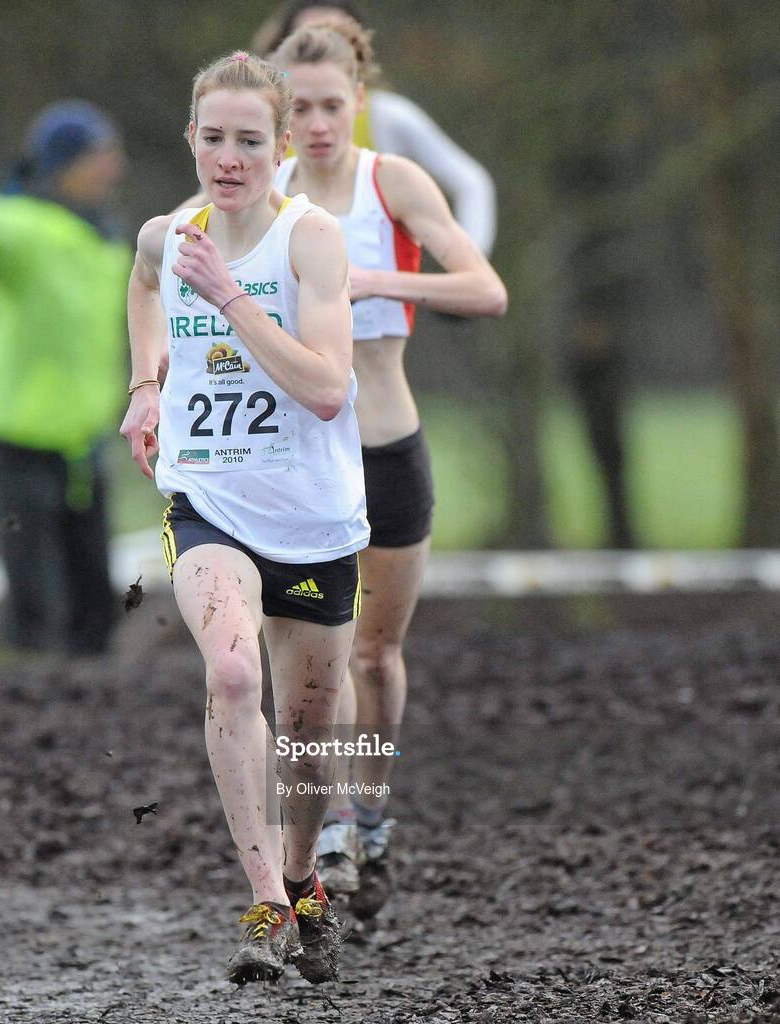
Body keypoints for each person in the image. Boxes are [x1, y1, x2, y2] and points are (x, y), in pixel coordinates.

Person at [119, 51, 369, 985]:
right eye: (213, 138)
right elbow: (144, 283)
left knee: (306, 732)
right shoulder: (166, 234)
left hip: (311, 522)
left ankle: (303, 882)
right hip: (208, 501)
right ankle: (264, 900)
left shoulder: (308, 242)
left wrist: (230, 299)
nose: (229, 159)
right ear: (191, 139)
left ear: (279, 149)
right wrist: (146, 383)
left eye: (249, 141)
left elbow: (326, 389)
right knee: (231, 671)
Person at [270, 22, 507, 916]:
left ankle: (371, 809)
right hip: (297, 460)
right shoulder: (268, 191)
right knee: (304, 660)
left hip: (387, 445)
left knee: (374, 654)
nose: (319, 122)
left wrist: (375, 280)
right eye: (301, 107)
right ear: (279, 110)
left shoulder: (392, 182)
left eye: (334, 105)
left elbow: (483, 290)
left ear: (360, 100)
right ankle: (323, 823)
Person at [0, 101, 130, 655]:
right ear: (63, 165)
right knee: (34, 594)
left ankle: (91, 708)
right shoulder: (27, 226)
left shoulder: (107, 238)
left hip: (81, 437)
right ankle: (26, 709)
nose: (111, 167)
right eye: (98, 156)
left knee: (94, 593)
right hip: (15, 435)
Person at [253, 0, 497, 254]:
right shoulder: (258, 126)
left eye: (333, 107)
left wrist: (470, 261)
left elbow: (471, 182)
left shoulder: (387, 117)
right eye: (307, 39)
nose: (318, 126)